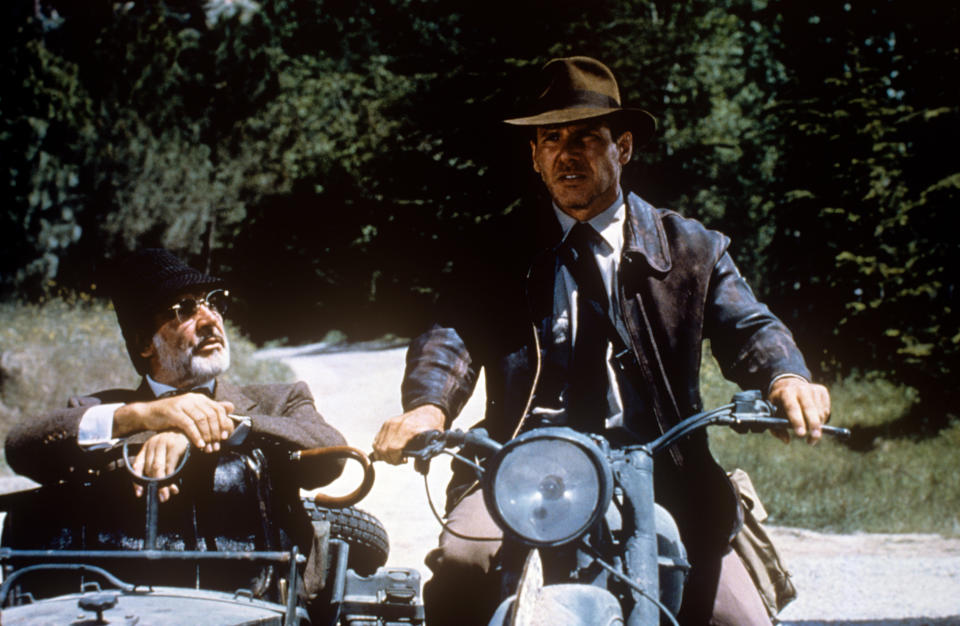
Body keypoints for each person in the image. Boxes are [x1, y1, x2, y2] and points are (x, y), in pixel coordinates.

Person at [372, 57, 831, 625]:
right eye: (551, 138)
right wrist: (426, 408)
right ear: (535, 156)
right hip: (520, 464)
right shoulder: (495, 253)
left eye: (587, 137)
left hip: (665, 468)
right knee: (466, 565)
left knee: (740, 620)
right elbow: (451, 335)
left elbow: (748, 325)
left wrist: (786, 376)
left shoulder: (690, 247)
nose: (568, 153)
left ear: (624, 149)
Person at [4, 248, 347, 591]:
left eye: (214, 303)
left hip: (264, 600)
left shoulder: (279, 399)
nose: (210, 319)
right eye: (184, 308)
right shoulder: (104, 411)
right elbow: (21, 448)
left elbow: (333, 459)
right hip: (132, 606)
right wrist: (144, 415)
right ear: (144, 343)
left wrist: (220, 426)